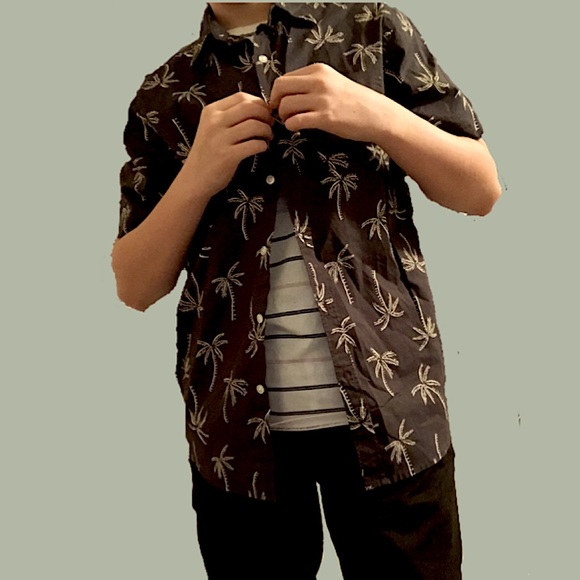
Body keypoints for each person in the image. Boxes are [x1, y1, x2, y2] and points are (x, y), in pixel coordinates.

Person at [111, 3, 501, 579]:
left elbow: (481, 189)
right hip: (237, 442)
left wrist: (377, 116)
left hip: (392, 416)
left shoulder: (372, 28)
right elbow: (135, 285)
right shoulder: (165, 91)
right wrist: (197, 176)